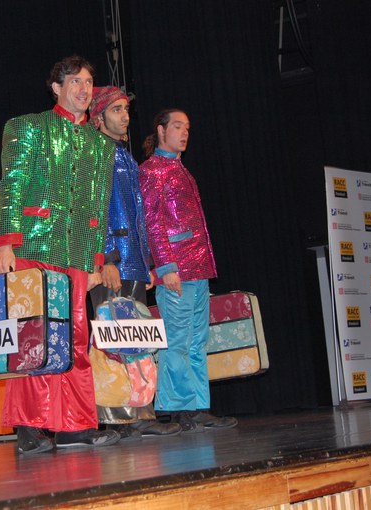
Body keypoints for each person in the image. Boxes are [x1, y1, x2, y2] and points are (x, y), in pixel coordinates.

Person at [0, 55, 120, 454]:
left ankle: (74, 424)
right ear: (56, 87)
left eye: (88, 82)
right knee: (35, 336)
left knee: (75, 337)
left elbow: (99, 204)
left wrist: (97, 259)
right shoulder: (27, 126)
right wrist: (5, 243)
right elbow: (12, 185)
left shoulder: (102, 145)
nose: (84, 88)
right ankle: (29, 426)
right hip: (34, 244)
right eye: (75, 81)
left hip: (77, 253)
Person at [87, 87, 182, 440]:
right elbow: (93, 211)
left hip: (134, 263)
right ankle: (115, 417)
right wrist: (106, 258)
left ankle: (140, 412)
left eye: (126, 109)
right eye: (116, 109)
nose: (125, 116)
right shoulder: (96, 155)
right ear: (98, 118)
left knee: (137, 340)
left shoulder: (123, 156)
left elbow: (140, 217)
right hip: (114, 262)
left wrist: (147, 264)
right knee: (114, 340)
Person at [139, 109, 238, 433]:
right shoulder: (152, 170)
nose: (184, 133)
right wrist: (166, 267)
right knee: (178, 340)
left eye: (187, 128)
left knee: (197, 340)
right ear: (161, 130)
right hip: (176, 270)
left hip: (197, 267)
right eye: (178, 126)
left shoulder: (180, 169)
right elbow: (153, 223)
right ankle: (179, 407)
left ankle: (197, 406)